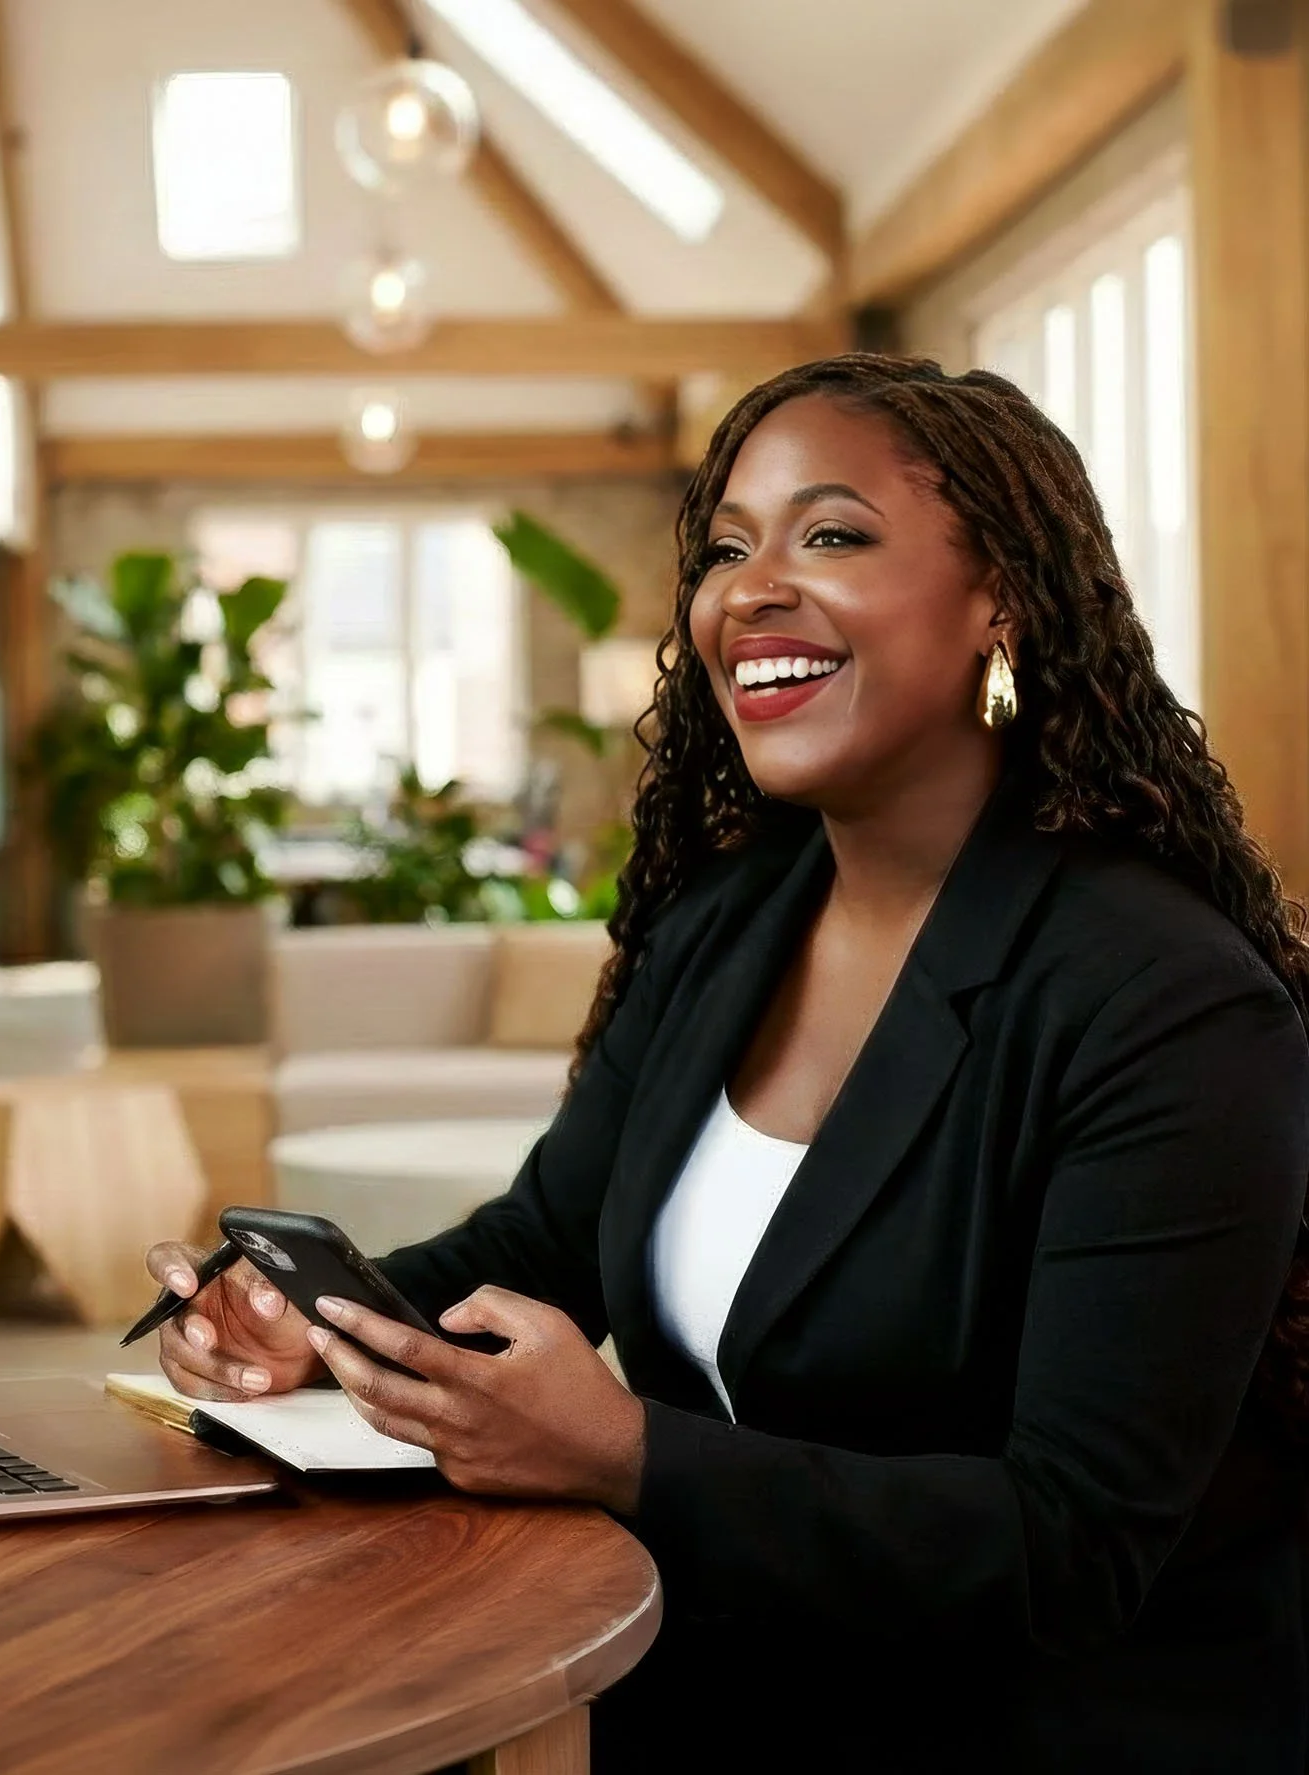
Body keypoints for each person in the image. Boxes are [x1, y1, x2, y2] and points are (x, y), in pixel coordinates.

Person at [145, 355, 1309, 1770]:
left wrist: (627, 1450)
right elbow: (547, 1234)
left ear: (1000, 592)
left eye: (830, 534)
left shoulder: (1162, 1000)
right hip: (715, 1683)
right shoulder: (730, 921)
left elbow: (1066, 1544)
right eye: (724, 547)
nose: (750, 587)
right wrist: (318, 1329)